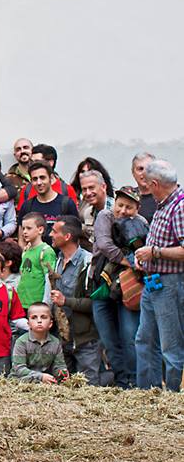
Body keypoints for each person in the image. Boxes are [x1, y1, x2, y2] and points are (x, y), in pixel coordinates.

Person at [133, 159, 184, 392]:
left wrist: (154, 252)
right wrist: (143, 256)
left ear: (155, 183)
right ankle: (147, 391)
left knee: (170, 345)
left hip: (169, 284)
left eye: (147, 184)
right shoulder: (163, 203)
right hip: (153, 282)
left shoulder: (179, 207)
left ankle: (172, 395)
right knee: (144, 338)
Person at [91, 186, 144, 388]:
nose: (122, 211)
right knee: (108, 338)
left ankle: (133, 380)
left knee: (129, 336)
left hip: (128, 287)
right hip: (101, 284)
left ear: (137, 208)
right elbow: (104, 244)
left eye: (129, 207)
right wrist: (128, 260)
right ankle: (121, 380)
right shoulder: (105, 216)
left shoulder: (142, 224)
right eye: (120, 205)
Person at [49, 215, 100, 385]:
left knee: (89, 387)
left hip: (85, 340)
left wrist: (66, 301)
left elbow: (95, 303)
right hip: (63, 338)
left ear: (67, 236)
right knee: (65, 388)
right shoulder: (56, 262)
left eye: (54, 231)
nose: (50, 234)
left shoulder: (88, 262)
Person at [17, 162, 79, 243]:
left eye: (42, 178)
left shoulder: (67, 204)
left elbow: (76, 236)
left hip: (61, 255)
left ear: (51, 178)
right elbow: (21, 238)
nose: (39, 182)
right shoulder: (27, 206)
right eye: (35, 179)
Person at [10, 302, 69, 384]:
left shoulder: (55, 342)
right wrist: (40, 376)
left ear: (50, 323)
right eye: (34, 317)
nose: (39, 321)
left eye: (43, 317)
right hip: (20, 382)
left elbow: (59, 365)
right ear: (28, 323)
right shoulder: (21, 342)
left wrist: (62, 372)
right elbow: (19, 369)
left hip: (44, 382)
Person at [16, 144, 79, 209]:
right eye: (31, 162)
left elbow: (73, 218)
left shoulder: (67, 190)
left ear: (50, 162)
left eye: (37, 161)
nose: (33, 165)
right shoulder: (26, 190)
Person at [17, 213, 56, 310]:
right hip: (21, 303)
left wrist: (46, 305)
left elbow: (49, 280)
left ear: (40, 230)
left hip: (37, 305)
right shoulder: (26, 250)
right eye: (23, 228)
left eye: (29, 228)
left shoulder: (46, 251)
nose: (24, 232)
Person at [78, 169, 113, 248]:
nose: (88, 193)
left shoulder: (116, 210)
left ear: (103, 187)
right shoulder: (87, 213)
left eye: (91, 188)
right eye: (84, 189)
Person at [131, 152, 158, 223]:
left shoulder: (162, 197)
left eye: (149, 169)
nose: (144, 173)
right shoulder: (128, 196)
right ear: (133, 173)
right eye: (140, 169)